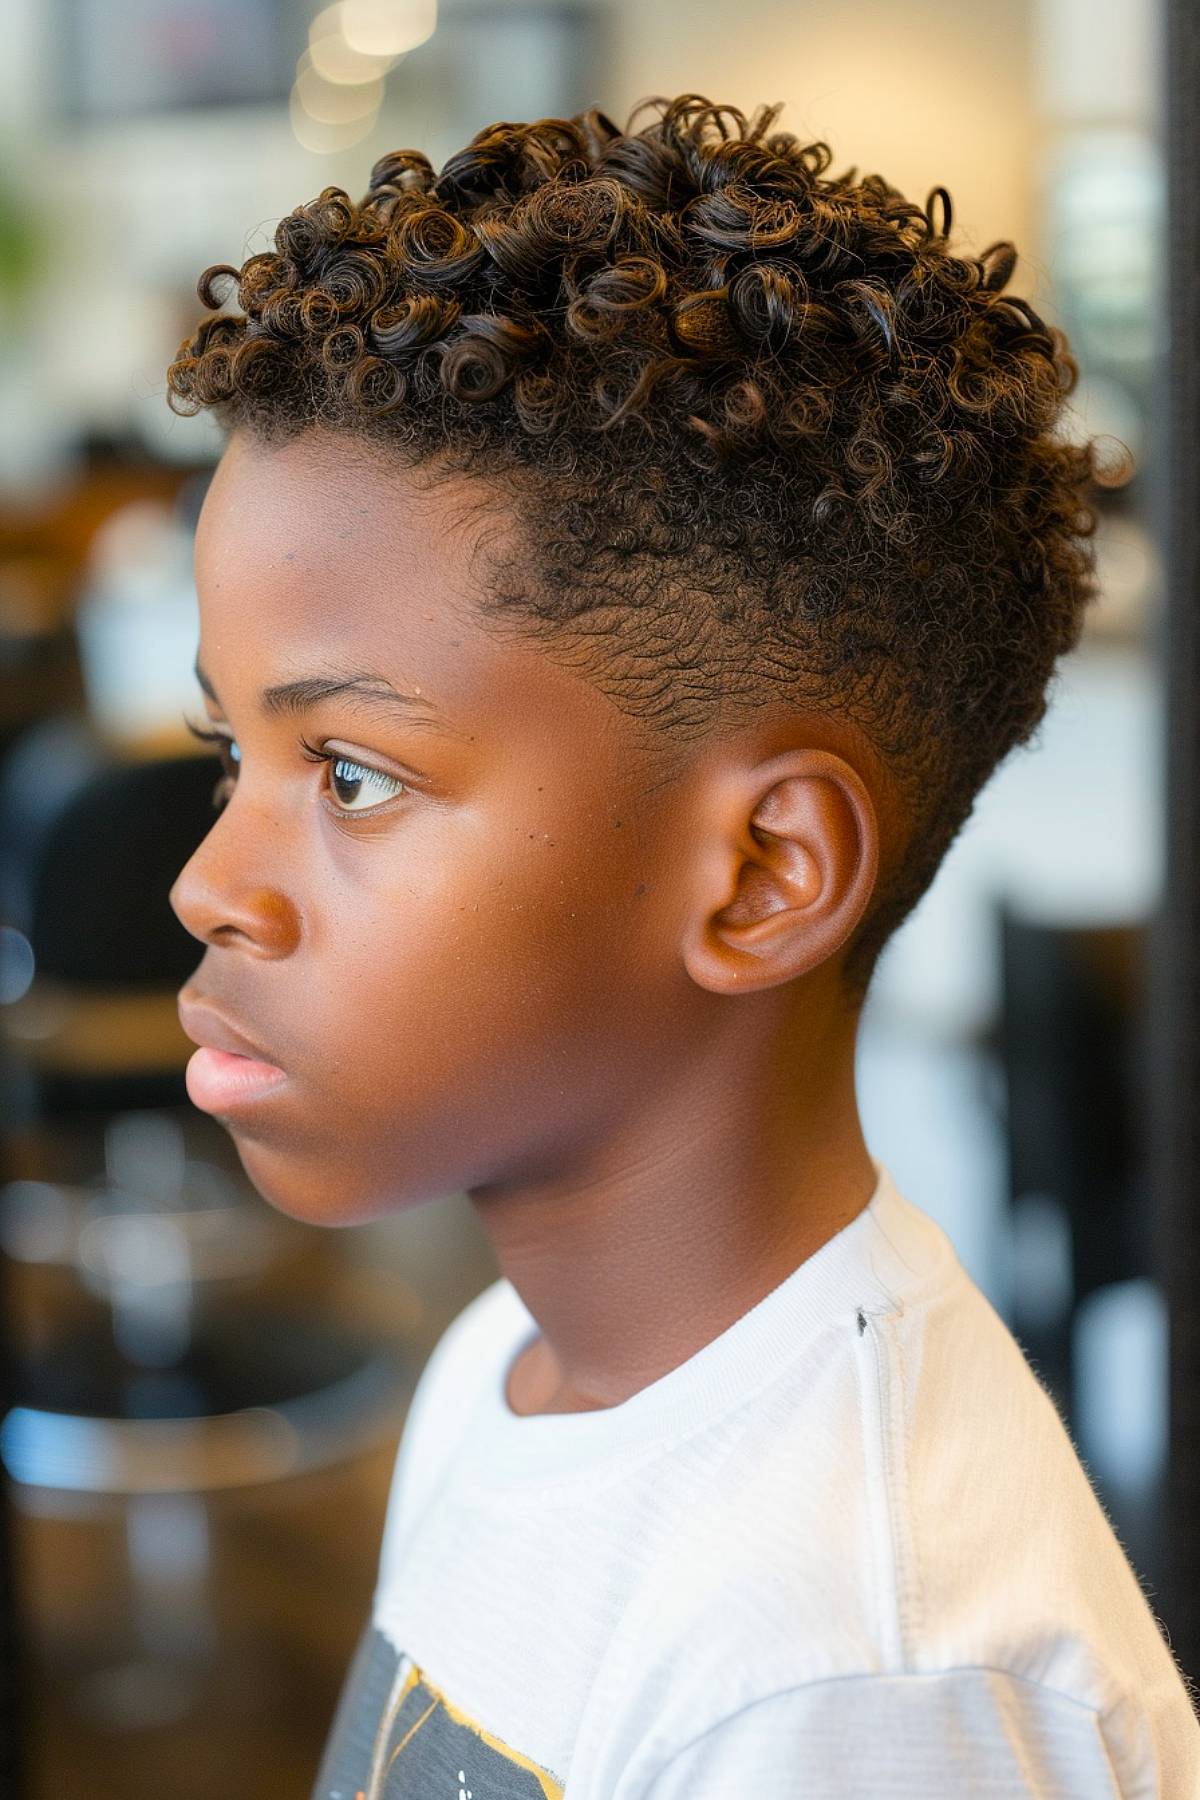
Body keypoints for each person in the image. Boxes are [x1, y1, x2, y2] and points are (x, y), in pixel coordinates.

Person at [163, 93, 1200, 1797]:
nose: (214, 886)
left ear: (760, 879)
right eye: (233, 757)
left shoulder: (851, 1671)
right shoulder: (507, 1373)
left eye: (350, 774)